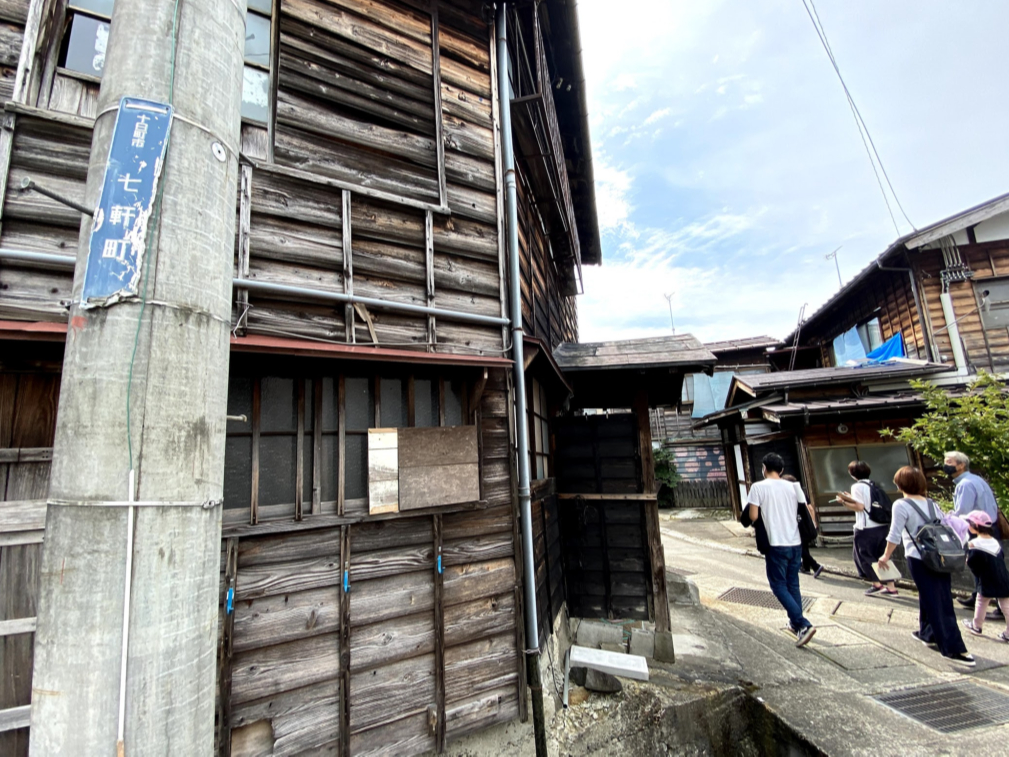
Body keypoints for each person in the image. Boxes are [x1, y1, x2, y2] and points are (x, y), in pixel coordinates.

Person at [877, 466, 975, 667]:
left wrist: (886, 556)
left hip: (919, 557)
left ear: (900, 484)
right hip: (940, 556)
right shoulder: (931, 504)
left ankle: (954, 648)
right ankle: (927, 632)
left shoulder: (901, 505)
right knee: (936, 595)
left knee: (938, 601)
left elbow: (894, 534)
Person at [747, 453, 817, 647]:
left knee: (778, 585)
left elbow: (753, 515)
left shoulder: (758, 487)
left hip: (775, 542)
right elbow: (803, 511)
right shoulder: (794, 487)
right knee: (793, 584)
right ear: (782, 470)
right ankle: (796, 623)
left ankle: (803, 624)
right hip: (795, 542)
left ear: (763, 467)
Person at [945, 451, 1003, 615]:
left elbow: (963, 512)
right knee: (989, 566)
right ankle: (977, 596)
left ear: (961, 465)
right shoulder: (977, 479)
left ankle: (1000, 607)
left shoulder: (965, 484)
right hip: (990, 526)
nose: (946, 466)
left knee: (984, 567)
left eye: (949, 462)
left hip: (976, 529)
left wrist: (948, 518)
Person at [839, 461, 897, 597]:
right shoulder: (873, 484)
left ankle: (876, 584)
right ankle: (891, 587)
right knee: (883, 557)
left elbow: (859, 507)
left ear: (852, 474)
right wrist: (851, 498)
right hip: (881, 525)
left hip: (866, 528)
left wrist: (843, 502)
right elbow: (866, 502)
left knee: (864, 556)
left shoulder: (857, 486)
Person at [960, 511, 1009, 642]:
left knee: (981, 602)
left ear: (975, 526)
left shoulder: (974, 543)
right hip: (1003, 577)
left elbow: (972, 563)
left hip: (986, 579)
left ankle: (977, 626)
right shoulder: (995, 542)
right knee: (1005, 605)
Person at [782, 474, 823, 578]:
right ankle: (806, 567)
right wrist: (813, 522)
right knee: (804, 546)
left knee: (798, 548)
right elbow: (810, 508)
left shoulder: (788, 495)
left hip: (797, 524)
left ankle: (815, 566)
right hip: (806, 523)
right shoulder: (801, 493)